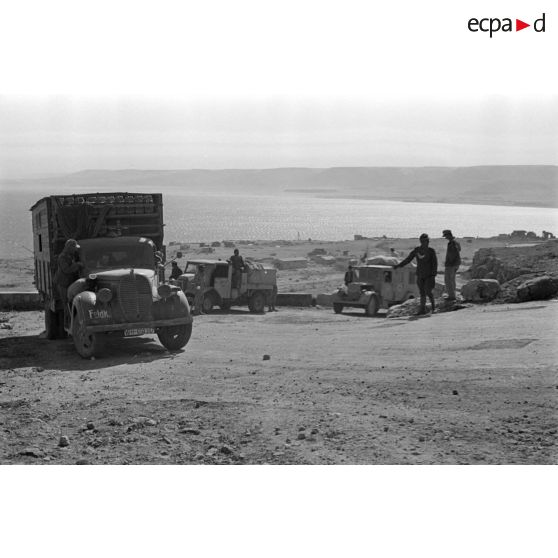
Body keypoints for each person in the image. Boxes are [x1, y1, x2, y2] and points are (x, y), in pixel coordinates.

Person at [393, 233, 437, 315]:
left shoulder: (431, 251)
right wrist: (399, 265)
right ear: (420, 241)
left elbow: (435, 264)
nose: (425, 242)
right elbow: (408, 259)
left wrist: (433, 275)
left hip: (429, 275)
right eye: (423, 241)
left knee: (428, 291)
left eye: (426, 241)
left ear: (428, 241)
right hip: (420, 274)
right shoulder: (417, 250)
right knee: (422, 292)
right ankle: (422, 310)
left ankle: (434, 308)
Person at [53, 239, 84, 324]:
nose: (76, 249)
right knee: (66, 303)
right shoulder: (62, 257)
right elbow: (67, 270)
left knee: (70, 302)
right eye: (74, 247)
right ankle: (67, 323)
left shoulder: (71, 255)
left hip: (68, 282)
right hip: (63, 284)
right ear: (69, 247)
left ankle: (71, 322)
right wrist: (77, 265)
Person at [442, 229, 461, 301]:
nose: (445, 238)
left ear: (448, 235)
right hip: (456, 263)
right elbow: (459, 250)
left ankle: (451, 296)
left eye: (446, 236)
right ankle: (453, 294)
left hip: (451, 264)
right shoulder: (457, 242)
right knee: (452, 280)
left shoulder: (451, 243)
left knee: (448, 280)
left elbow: (452, 253)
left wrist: (450, 261)